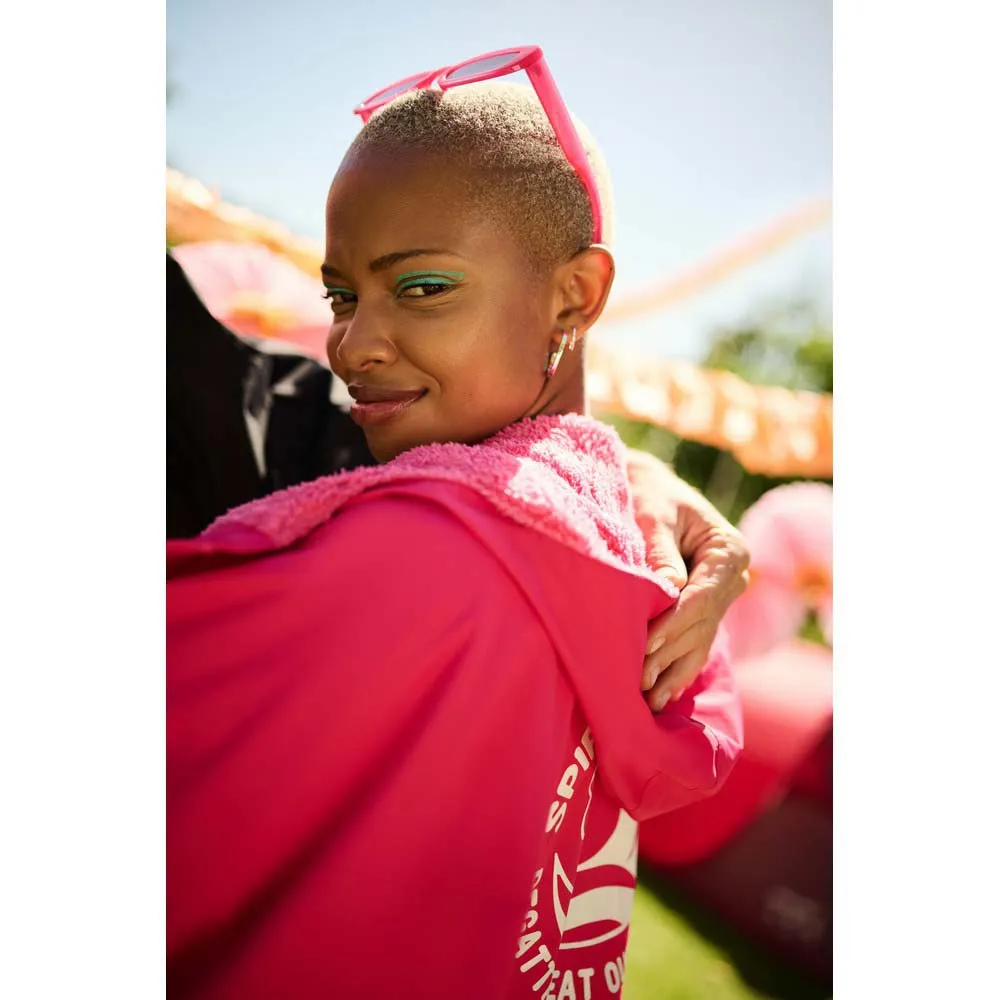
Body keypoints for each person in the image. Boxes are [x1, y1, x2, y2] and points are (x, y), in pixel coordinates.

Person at [168, 58, 743, 1000]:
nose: (350, 346)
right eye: (341, 297)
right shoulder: (628, 562)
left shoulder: (412, 556)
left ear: (575, 295)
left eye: (424, 286)